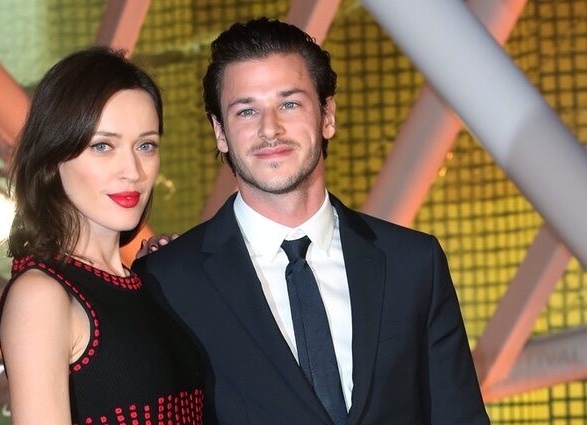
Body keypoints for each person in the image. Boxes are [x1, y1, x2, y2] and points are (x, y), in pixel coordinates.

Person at [133, 18, 489, 424]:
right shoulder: (168, 281)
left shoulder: (413, 262)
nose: (270, 129)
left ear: (327, 114)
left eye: (289, 103)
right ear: (220, 132)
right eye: (247, 110)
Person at [0, 47, 204, 425]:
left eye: (146, 145)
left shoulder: (147, 282)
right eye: (102, 146)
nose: (133, 170)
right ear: (54, 155)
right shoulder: (42, 294)